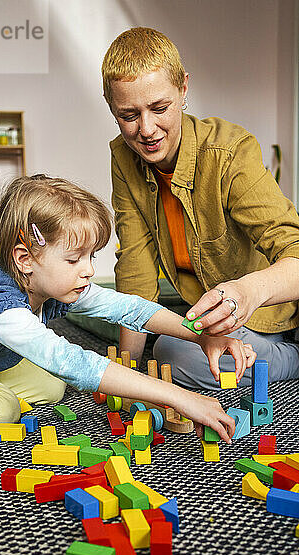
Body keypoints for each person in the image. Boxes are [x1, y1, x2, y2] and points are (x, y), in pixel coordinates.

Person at [0, 175, 255, 440]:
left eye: (91, 256)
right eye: (73, 259)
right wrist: (181, 398)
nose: (88, 270)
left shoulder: (49, 280)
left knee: (51, 385)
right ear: (25, 258)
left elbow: (128, 308)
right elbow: (73, 363)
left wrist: (200, 335)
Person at [101, 27, 299, 390]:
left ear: (184, 89)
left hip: (262, 314)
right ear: (111, 106)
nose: (147, 130)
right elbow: (135, 266)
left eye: (160, 108)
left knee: (172, 353)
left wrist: (245, 292)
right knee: (102, 321)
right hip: (202, 312)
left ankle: (290, 358)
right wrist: (125, 370)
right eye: (129, 115)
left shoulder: (230, 151)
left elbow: (296, 254)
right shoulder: (123, 157)